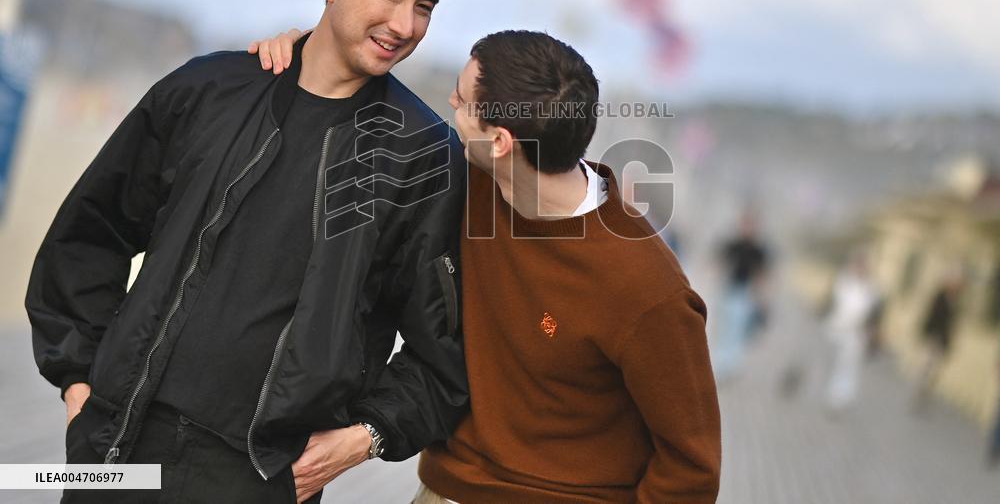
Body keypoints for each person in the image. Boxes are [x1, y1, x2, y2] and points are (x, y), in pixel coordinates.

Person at [26, 0, 470, 504]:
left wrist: (366, 436)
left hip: (260, 477)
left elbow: (444, 348)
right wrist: (79, 381)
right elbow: (92, 230)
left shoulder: (423, 157)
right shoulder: (209, 90)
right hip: (119, 446)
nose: (405, 25)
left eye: (424, 6)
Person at [255, 29, 722, 503]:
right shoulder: (468, 182)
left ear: (499, 141)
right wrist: (306, 51)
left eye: (460, 101)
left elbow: (691, 468)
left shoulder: (647, 288)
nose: (450, 108)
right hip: (444, 490)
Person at [712, 209, 770, 381]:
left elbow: (762, 274)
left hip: (745, 292)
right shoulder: (734, 244)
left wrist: (761, 297)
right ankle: (720, 362)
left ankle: (731, 364)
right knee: (724, 326)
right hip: (729, 288)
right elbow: (719, 260)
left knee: (737, 329)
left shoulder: (758, 250)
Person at [823, 251, 880, 412]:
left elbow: (874, 315)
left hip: (856, 333)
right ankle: (833, 395)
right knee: (834, 364)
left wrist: (871, 332)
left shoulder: (872, 289)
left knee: (847, 367)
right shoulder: (843, 282)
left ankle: (838, 399)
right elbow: (831, 303)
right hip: (837, 328)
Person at [912, 270, 965, 413]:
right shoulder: (940, 297)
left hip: (943, 341)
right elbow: (931, 317)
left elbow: (953, 324)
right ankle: (919, 395)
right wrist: (929, 335)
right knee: (927, 367)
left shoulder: (956, 301)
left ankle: (925, 395)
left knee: (935, 372)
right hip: (934, 338)